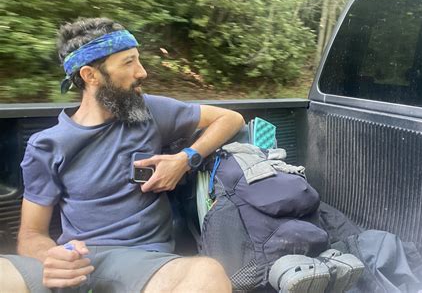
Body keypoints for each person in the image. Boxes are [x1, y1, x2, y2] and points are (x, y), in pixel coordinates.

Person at [0, 17, 244, 292]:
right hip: (75, 263)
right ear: (90, 76)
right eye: (128, 63)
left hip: (145, 265)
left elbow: (230, 119)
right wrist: (50, 257)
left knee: (207, 272)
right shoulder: (46, 145)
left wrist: (185, 159)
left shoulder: (150, 111)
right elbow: (32, 234)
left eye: (138, 60)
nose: (142, 72)